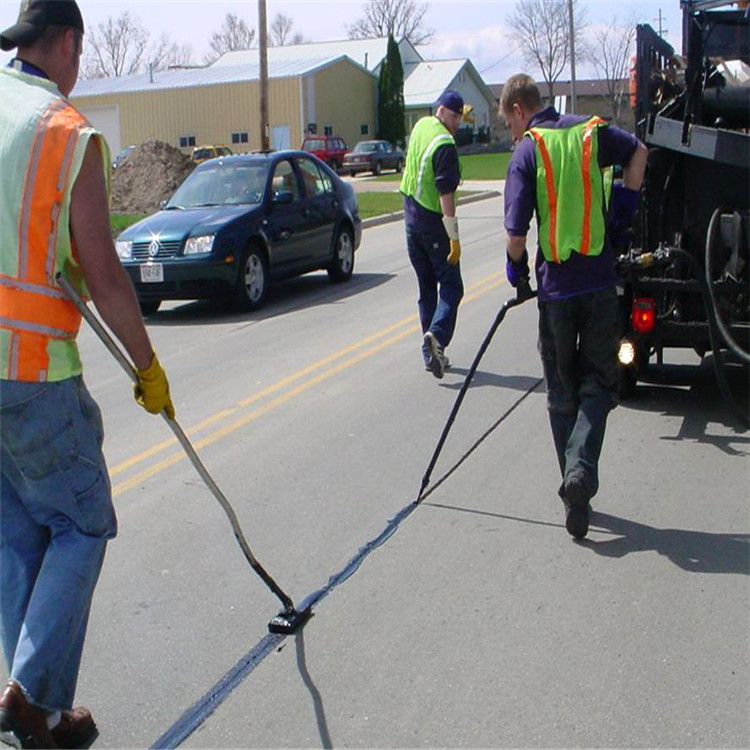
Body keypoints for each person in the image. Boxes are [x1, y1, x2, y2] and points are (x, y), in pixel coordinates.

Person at [0, 1, 175, 746]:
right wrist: (147, 365)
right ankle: (27, 693)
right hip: (33, 371)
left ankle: (36, 711)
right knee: (81, 523)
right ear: (66, 42)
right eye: (80, 51)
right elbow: (100, 271)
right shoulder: (66, 132)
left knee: (19, 536)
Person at [500, 74, 648, 539]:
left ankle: (574, 479)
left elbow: (516, 237)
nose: (511, 132)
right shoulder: (592, 132)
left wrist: (516, 274)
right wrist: (624, 207)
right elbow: (639, 153)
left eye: (508, 122)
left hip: (557, 293)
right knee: (600, 387)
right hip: (600, 286)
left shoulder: (529, 150)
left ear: (519, 110)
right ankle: (578, 477)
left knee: (562, 392)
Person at [399, 89, 474, 379]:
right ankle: (437, 337)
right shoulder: (445, 145)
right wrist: (453, 236)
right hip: (432, 223)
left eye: (460, 118)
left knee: (428, 289)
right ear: (442, 111)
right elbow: (446, 195)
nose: (457, 123)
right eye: (454, 116)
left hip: (410, 221)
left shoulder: (421, 126)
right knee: (453, 286)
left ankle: (431, 353)